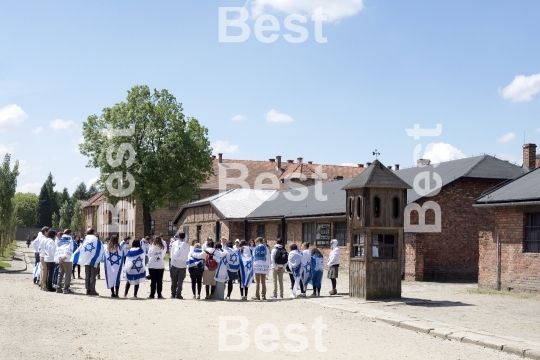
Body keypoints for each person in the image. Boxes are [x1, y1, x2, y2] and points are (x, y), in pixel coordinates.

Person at [72, 228, 104, 296]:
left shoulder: (85, 240)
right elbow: (101, 250)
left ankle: (88, 290)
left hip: (86, 260)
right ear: (93, 232)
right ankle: (92, 290)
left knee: (87, 275)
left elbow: (81, 249)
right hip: (94, 260)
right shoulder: (97, 240)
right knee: (93, 276)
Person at [54, 230, 77, 294]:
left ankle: (58, 287)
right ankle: (66, 288)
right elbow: (69, 250)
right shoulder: (70, 241)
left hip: (60, 258)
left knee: (60, 273)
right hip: (67, 259)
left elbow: (57, 250)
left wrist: (60, 258)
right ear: (69, 234)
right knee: (68, 274)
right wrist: (64, 258)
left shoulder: (60, 240)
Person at [170, 233, 190, 299]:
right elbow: (187, 253)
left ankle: (173, 294)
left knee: (174, 280)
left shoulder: (174, 243)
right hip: (182, 264)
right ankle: (178, 294)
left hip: (175, 263)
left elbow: (171, 253)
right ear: (184, 237)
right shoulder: (186, 245)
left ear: (178, 236)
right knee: (180, 280)